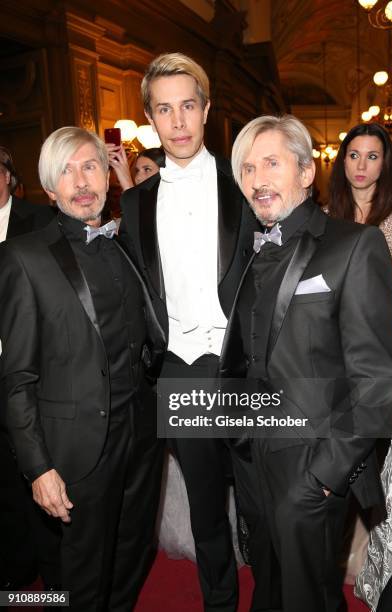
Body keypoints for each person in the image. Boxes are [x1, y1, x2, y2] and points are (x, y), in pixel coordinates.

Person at [219, 114, 392, 612]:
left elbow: (377, 381)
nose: (258, 179)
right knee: (270, 589)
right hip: (254, 458)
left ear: (305, 172)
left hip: (313, 460)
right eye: (249, 168)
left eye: (271, 163)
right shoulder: (250, 253)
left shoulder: (353, 245)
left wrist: (324, 475)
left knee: (310, 599)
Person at [0, 126, 166, 611]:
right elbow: (16, 378)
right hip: (77, 447)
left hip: (141, 436)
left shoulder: (125, 244)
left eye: (90, 166)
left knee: (134, 553)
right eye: (66, 172)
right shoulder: (23, 259)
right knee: (82, 573)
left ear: (106, 176)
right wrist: (37, 468)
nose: (81, 181)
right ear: (50, 189)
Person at [120, 52, 260, 612]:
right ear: (151, 119)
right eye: (163, 110)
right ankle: (221, 604)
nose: (177, 122)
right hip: (179, 369)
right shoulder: (133, 203)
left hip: (249, 362)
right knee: (205, 510)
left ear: (205, 110)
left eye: (187, 106)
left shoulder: (245, 181)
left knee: (264, 501)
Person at [326, 123, 392, 611]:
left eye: (372, 156)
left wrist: (391, 371)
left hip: (382, 363)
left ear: (386, 164)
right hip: (332, 363)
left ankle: (377, 568)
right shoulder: (325, 217)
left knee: (375, 469)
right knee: (339, 468)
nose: (360, 165)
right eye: (352, 154)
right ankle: (333, 564)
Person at [0, 145, 55, 590]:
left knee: (39, 473)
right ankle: (17, 581)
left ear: (9, 176)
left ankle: (56, 580)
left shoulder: (40, 221)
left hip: (33, 373)